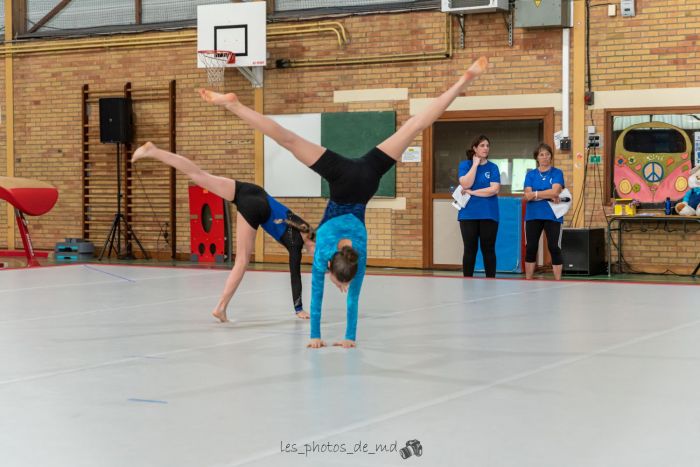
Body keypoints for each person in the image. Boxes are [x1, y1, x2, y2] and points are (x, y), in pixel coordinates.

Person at [198, 56, 489, 348]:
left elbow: (346, 301)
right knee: (289, 140)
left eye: (344, 283)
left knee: (413, 127)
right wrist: (317, 336)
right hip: (341, 178)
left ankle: (464, 81)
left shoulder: (357, 255)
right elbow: (317, 296)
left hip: (365, 178)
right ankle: (234, 105)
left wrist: (340, 337)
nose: (346, 288)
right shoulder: (324, 248)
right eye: (345, 284)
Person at [131, 143, 316, 321]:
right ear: (315, 244)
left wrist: (279, 220)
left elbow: (285, 216)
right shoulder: (296, 245)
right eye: (317, 253)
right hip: (258, 210)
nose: (316, 257)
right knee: (242, 261)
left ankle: (153, 151)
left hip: (253, 191)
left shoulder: (306, 227)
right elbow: (295, 275)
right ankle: (220, 308)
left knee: (200, 175)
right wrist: (298, 308)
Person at [457, 135, 501, 277]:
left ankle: (491, 280)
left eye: (487, 145)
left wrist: (472, 192)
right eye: (482, 145)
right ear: (474, 148)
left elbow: (493, 189)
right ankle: (467, 280)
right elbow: (465, 184)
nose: (486, 148)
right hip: (468, 214)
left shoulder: (493, 167)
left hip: (489, 214)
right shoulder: (465, 165)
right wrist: (475, 165)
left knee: (488, 249)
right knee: (470, 249)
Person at [522, 143, 566, 280]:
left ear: (551, 157)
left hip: (552, 215)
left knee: (553, 246)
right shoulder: (530, 175)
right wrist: (547, 195)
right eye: (541, 154)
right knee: (531, 247)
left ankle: (558, 280)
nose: (545, 157)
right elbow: (527, 195)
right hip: (533, 215)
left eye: (547, 154)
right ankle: (528, 279)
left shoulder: (557, 173)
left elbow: (556, 191)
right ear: (537, 158)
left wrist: (536, 194)